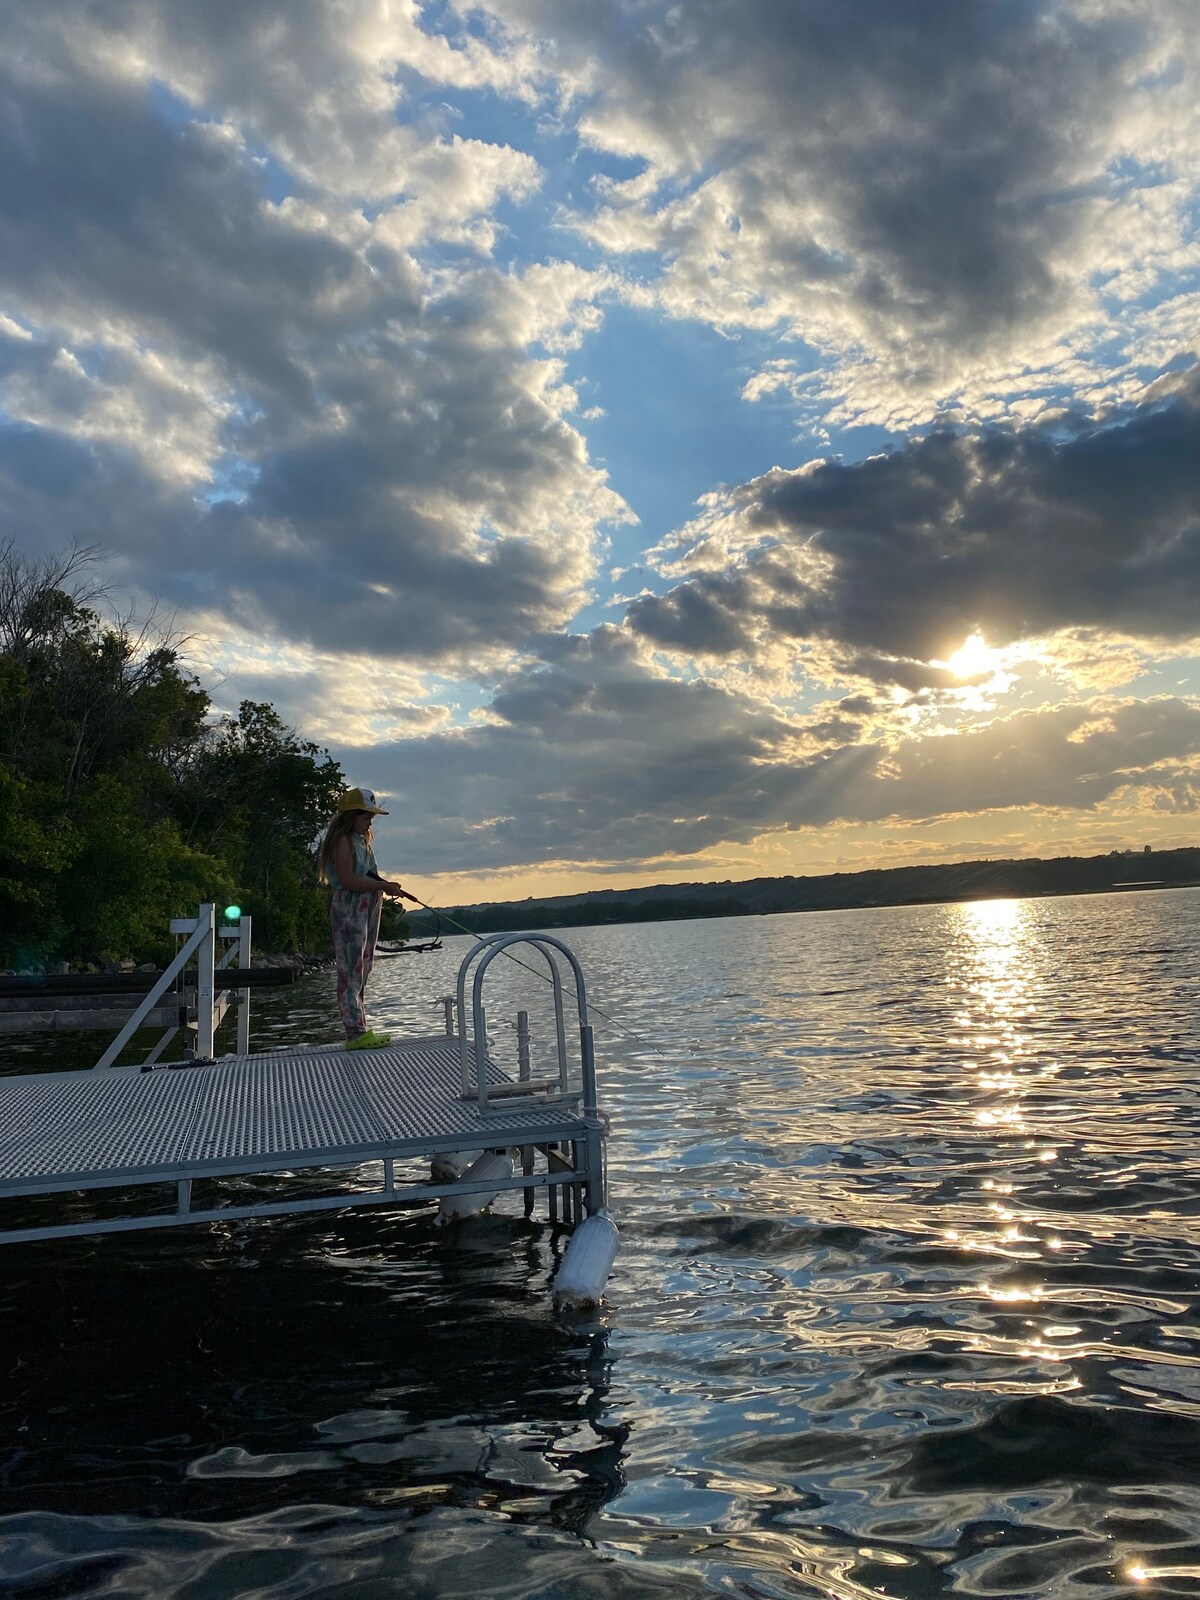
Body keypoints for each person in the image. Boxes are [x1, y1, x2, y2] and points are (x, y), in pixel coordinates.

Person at [318, 786, 414, 1050]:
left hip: (369, 906)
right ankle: (355, 1032)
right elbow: (348, 880)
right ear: (351, 816)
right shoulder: (343, 841)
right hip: (350, 907)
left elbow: (367, 876)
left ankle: (360, 1026)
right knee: (351, 969)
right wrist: (382, 887)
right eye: (366, 817)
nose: (370, 822)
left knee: (364, 967)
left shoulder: (362, 841)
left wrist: (385, 885)